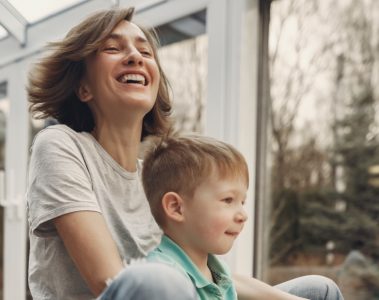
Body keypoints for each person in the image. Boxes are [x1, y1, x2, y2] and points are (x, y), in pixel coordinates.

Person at [26, 6, 344, 300]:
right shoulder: (59, 145)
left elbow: (199, 273)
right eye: (113, 48)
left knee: (319, 290)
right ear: (84, 88)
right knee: (159, 281)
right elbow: (105, 279)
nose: (135, 56)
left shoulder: (152, 178)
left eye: (145, 50)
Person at [142, 135, 249, 299]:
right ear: (176, 208)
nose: (243, 215)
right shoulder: (161, 279)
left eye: (242, 202)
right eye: (228, 200)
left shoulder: (219, 272)